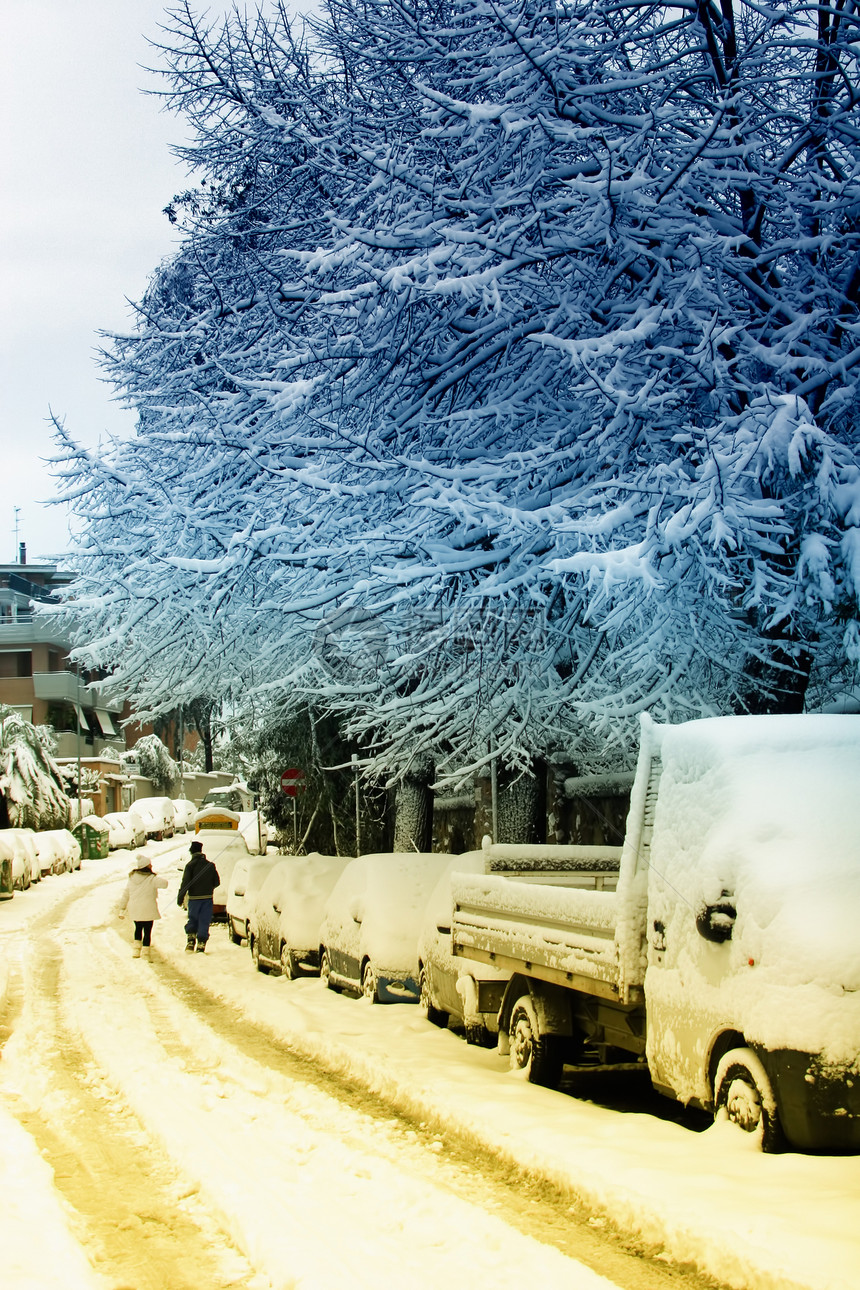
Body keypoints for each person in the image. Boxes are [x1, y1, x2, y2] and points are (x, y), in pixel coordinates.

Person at [118, 855, 168, 959]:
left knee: (138, 928)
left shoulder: (132, 878)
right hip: (148, 909)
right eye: (150, 864)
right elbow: (165, 884)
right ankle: (146, 953)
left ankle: (136, 950)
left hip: (135, 909)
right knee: (147, 931)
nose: (151, 866)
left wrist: (122, 908)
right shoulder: (152, 878)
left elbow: (126, 894)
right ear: (147, 866)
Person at [178, 839, 220, 953]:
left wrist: (180, 897)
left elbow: (185, 883)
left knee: (193, 919)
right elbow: (217, 882)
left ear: (192, 852)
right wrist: (208, 887)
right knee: (204, 920)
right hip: (207, 899)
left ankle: (191, 942)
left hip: (194, 899)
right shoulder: (210, 865)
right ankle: (201, 943)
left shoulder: (190, 866)